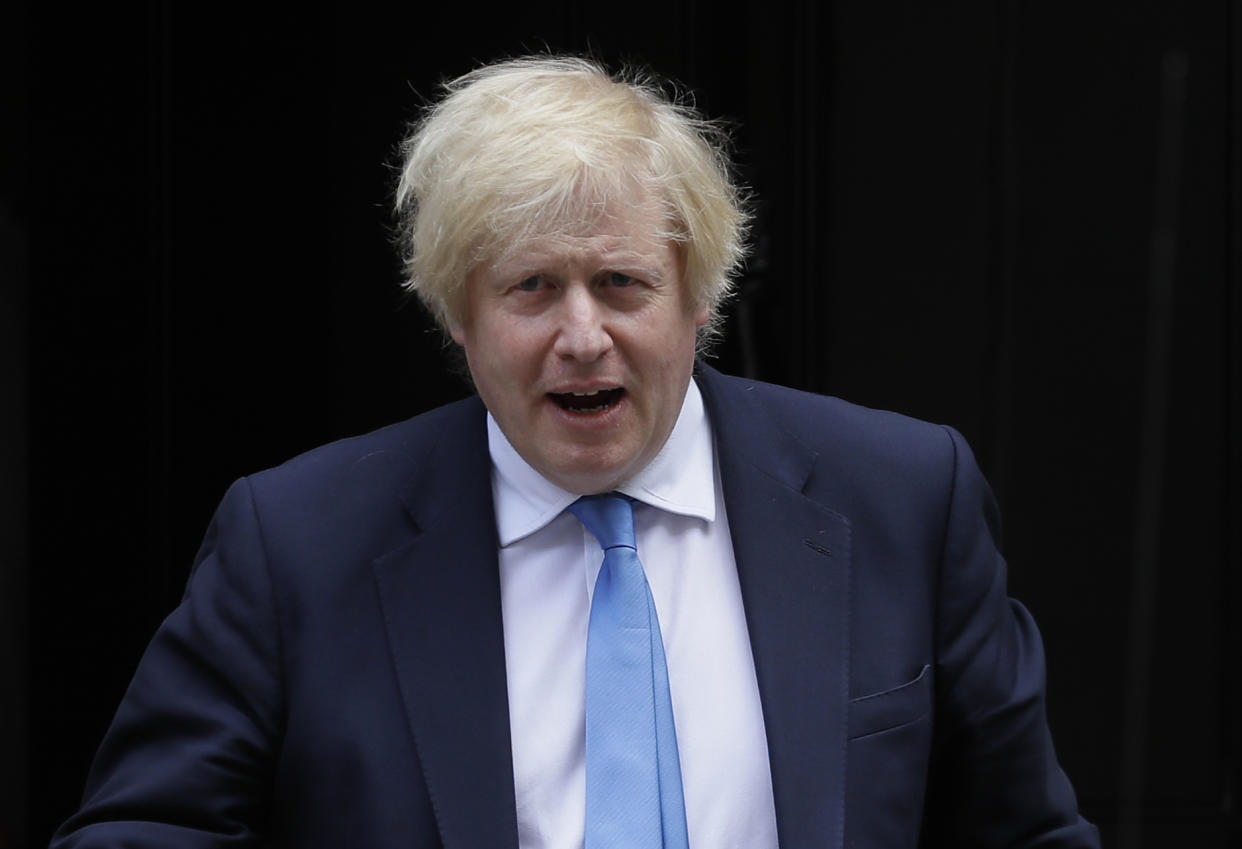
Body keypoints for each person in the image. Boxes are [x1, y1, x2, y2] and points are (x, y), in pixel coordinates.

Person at [52, 56, 1100, 849]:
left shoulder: (902, 499)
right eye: (532, 288)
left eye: (624, 284)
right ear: (458, 316)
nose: (584, 336)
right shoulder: (295, 545)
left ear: (699, 298)